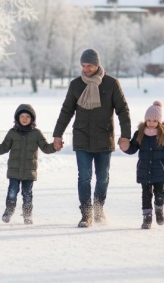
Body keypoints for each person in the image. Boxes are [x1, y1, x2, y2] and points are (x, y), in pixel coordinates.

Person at [52, 48, 131, 228]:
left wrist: (125, 135)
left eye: (89, 66)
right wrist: (58, 134)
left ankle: (98, 207)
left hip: (104, 137)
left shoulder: (111, 84)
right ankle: (86, 214)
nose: (85, 69)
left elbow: (122, 110)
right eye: (83, 66)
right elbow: (66, 111)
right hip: (82, 137)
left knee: (102, 177)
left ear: (97, 65)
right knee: (84, 177)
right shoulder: (76, 85)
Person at [0, 104, 56, 225]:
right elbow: (5, 147)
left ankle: (27, 215)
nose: (25, 118)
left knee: (27, 194)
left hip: (29, 171)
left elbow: (46, 148)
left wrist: (54, 147)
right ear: (17, 118)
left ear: (32, 119)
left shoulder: (36, 133)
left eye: (27, 116)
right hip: (14, 171)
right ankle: (9, 211)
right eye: (22, 116)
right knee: (12, 192)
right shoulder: (12, 133)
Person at [125, 101, 164, 229]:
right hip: (144, 170)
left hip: (159, 171)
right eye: (149, 120)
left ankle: (159, 209)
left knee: (159, 193)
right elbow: (133, 149)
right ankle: (147, 218)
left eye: (155, 121)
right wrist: (125, 147)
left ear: (159, 122)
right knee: (146, 194)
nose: (151, 123)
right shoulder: (139, 133)